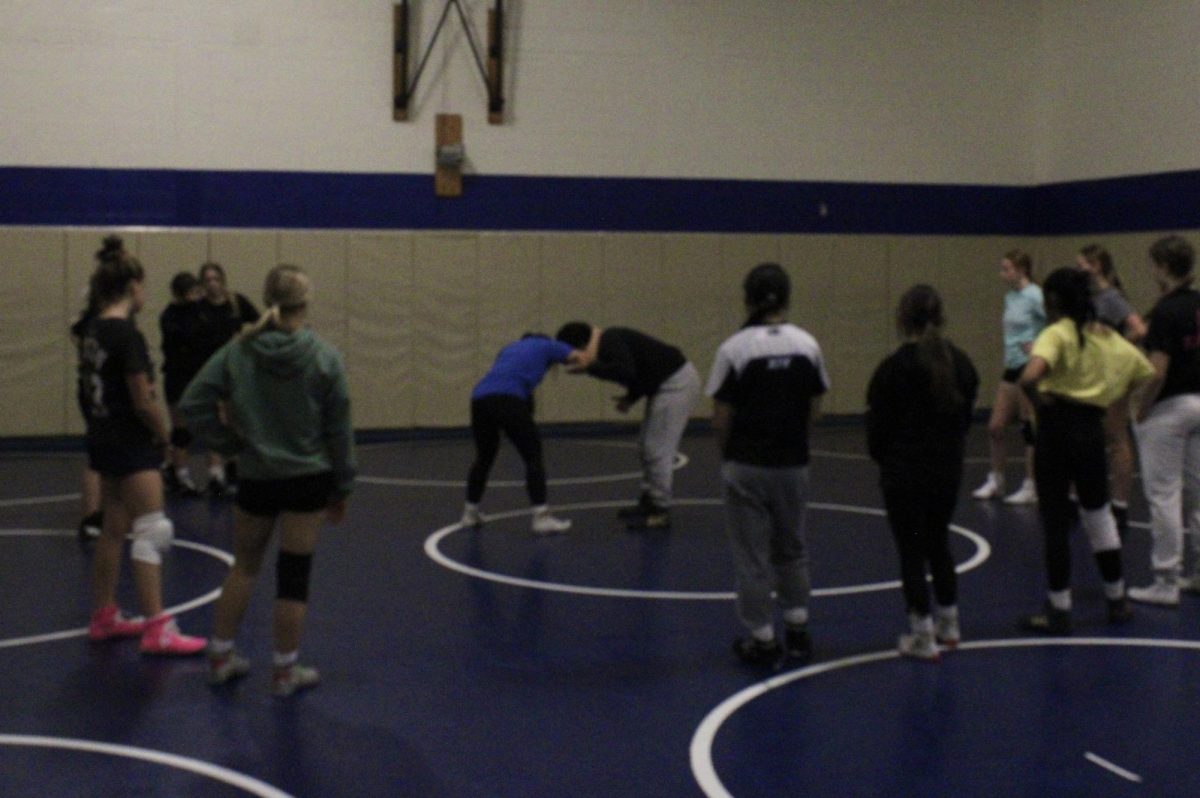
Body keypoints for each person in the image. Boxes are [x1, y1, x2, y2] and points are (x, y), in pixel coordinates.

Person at [180, 264, 356, 697]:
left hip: (258, 475)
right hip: (308, 480)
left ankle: (220, 658)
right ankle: (284, 672)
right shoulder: (324, 356)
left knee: (244, 566)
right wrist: (342, 485)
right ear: (305, 301)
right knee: (294, 576)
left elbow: (192, 402)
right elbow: (339, 430)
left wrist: (231, 443)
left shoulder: (238, 352)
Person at [79, 246, 207, 655]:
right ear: (133, 287)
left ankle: (104, 614)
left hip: (103, 436)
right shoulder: (126, 334)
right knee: (154, 529)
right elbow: (142, 399)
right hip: (132, 441)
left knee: (114, 529)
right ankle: (157, 627)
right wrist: (165, 436)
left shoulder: (92, 330)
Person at [1016, 267, 1153, 634]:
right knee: (1099, 516)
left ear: (1054, 301)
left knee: (1056, 522)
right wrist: (1109, 394)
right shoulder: (1104, 335)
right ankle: (1117, 599)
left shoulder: (1056, 333)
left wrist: (1040, 403)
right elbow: (1145, 371)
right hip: (1091, 431)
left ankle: (1059, 610)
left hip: (1057, 430)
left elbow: (1028, 377)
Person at [706, 263, 829, 667]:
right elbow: (815, 404)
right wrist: (797, 440)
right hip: (792, 463)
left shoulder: (735, 348)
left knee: (752, 555)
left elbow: (722, 414)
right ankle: (797, 628)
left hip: (747, 463)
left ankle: (762, 638)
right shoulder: (807, 344)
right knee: (792, 547)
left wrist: (729, 454)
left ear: (748, 298)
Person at [867, 285, 978, 661]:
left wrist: (885, 461)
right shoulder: (961, 363)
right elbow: (965, 419)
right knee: (938, 544)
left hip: (904, 473)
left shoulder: (893, 368)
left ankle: (922, 633)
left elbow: (877, 429)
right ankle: (950, 623)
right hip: (946, 470)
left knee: (911, 552)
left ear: (902, 319)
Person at [555, 322, 701, 530]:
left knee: (657, 449)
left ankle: (661, 510)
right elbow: (643, 371)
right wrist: (631, 398)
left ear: (580, 345)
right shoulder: (608, 341)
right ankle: (649, 500)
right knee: (645, 445)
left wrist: (590, 367)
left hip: (676, 385)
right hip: (666, 383)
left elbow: (626, 371)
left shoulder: (609, 341)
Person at [1129, 235, 1200, 606]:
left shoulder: (1167, 312)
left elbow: (1157, 371)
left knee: (1164, 494)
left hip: (1170, 407)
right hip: (1199, 402)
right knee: (1198, 493)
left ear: (1162, 267)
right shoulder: (1197, 304)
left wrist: (1142, 406)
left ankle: (1165, 579)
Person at [461, 334, 586, 534]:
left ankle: (469, 512)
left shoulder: (509, 348)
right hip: (508, 398)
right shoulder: (548, 345)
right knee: (533, 456)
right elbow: (580, 357)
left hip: (480, 398)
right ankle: (541, 517)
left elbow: (521, 392)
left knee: (484, 457)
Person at [1076, 244, 1148, 539]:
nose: (1080, 270)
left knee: (1116, 436)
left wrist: (1116, 352)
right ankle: (1089, 499)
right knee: (1091, 436)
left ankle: (1119, 504)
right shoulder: (1087, 298)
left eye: (1084, 265)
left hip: (1112, 377)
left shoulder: (1111, 298)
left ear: (1097, 266)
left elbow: (1139, 329)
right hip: (1091, 378)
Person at [973, 250, 1044, 505]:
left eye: (1007, 269)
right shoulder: (1010, 297)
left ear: (1022, 270)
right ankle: (997, 479)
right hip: (1011, 365)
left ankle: (1032, 484)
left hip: (1028, 366)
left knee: (1028, 427)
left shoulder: (1035, 295)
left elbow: (1055, 325)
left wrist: (1039, 345)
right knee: (995, 427)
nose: (1002, 274)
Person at [194, 261, 261, 497]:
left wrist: (244, 340)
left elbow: (259, 321)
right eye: (207, 280)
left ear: (223, 280)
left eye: (216, 279)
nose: (212, 284)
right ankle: (215, 473)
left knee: (233, 417)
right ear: (202, 284)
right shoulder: (199, 308)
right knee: (213, 419)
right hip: (208, 369)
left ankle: (233, 462)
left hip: (234, 368)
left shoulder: (235, 302)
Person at [159, 271, 206, 497]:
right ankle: (180, 472)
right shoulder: (171, 316)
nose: (198, 297)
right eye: (194, 292)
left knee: (189, 428)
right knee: (181, 428)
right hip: (178, 376)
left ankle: (174, 467)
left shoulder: (197, 312)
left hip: (195, 374)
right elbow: (186, 337)